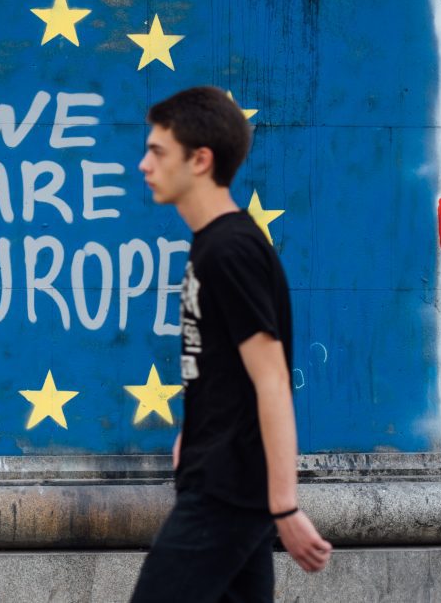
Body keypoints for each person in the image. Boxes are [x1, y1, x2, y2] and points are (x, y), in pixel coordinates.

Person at [129, 87, 331, 603]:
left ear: (200, 160)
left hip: (227, 490)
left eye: (157, 152)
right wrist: (190, 436)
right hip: (220, 478)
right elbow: (220, 368)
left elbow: (272, 379)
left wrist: (285, 506)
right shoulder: (212, 245)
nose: (144, 165)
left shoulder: (230, 250)